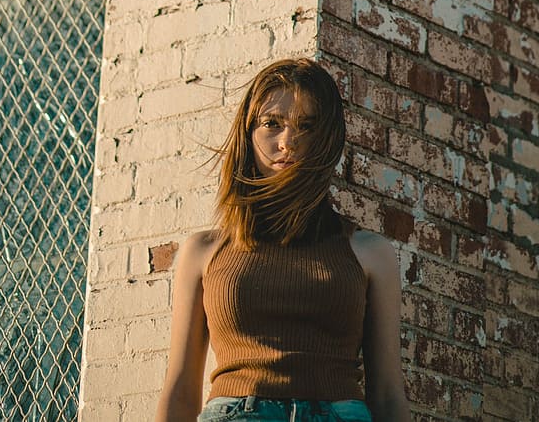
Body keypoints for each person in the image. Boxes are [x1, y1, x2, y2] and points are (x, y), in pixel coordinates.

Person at [154, 57, 413, 422]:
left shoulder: (370, 253)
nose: (287, 142)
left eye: (305, 126)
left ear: (326, 138)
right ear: (249, 132)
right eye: (271, 124)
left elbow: (387, 394)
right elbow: (180, 388)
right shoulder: (203, 252)